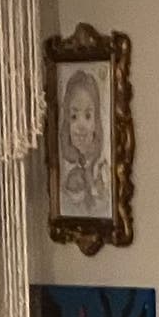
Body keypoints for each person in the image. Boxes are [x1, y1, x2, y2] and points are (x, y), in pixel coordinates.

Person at [58, 67, 108, 220]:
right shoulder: (64, 166)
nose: (81, 126)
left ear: (96, 122)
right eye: (74, 116)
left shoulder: (101, 166)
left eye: (87, 116)